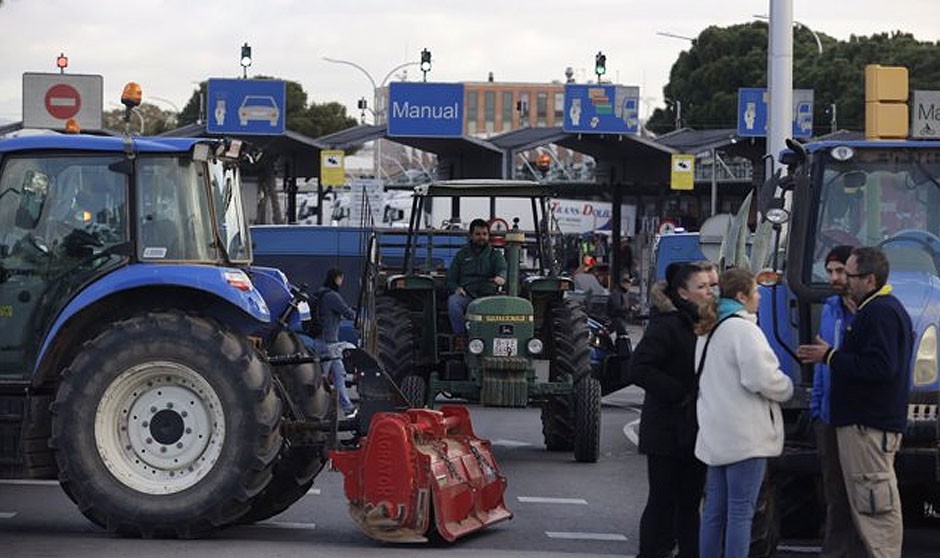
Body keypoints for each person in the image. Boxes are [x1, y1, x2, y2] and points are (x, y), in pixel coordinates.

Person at [797, 247, 912, 558]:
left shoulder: (880, 313)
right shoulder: (874, 311)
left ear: (870, 280)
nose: (844, 280)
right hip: (861, 424)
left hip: (868, 427)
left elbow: (880, 367)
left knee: (875, 504)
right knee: (865, 502)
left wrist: (830, 356)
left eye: (850, 275)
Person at [695, 268, 793, 558]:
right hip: (745, 437)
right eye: (755, 290)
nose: (760, 296)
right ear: (741, 296)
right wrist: (786, 386)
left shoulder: (708, 330)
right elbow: (760, 379)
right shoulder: (744, 330)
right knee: (740, 513)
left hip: (715, 434)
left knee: (714, 512)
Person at [630, 261, 713, 558]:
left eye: (710, 286)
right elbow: (639, 368)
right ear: (683, 293)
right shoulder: (668, 325)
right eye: (701, 287)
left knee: (689, 502)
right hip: (667, 429)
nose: (708, 293)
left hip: (694, 429)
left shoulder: (703, 324)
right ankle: (653, 551)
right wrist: (680, 394)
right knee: (663, 499)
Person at [810, 245, 866, 558]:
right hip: (829, 415)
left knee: (863, 489)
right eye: (829, 271)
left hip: (859, 416)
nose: (833, 277)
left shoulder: (871, 312)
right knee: (835, 491)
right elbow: (821, 367)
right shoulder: (830, 308)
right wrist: (818, 410)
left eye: (840, 271)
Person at [446, 219, 507, 339]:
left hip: (489, 296)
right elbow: (450, 279)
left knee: (506, 306)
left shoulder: (495, 255)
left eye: (484, 234)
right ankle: (462, 337)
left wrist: (501, 277)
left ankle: (500, 338)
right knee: (453, 302)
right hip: (468, 296)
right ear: (471, 235)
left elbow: (502, 269)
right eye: (478, 234)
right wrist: (456, 288)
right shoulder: (462, 255)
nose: (482, 237)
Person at [312, 267, 358, 418]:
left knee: (339, 375)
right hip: (329, 344)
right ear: (336, 279)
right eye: (341, 278)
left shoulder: (320, 293)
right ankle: (316, 410)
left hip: (321, 340)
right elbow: (349, 313)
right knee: (321, 379)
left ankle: (347, 408)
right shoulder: (332, 296)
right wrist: (358, 316)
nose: (342, 282)